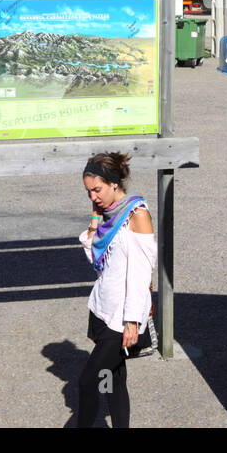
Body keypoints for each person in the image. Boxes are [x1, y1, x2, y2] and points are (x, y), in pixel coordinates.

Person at [75, 151, 156, 428]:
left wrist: (133, 321)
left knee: (88, 382)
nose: (93, 197)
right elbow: (98, 264)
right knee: (115, 380)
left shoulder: (137, 214)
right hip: (103, 308)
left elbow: (142, 272)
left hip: (122, 318)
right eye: (88, 192)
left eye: (97, 190)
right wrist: (94, 223)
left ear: (113, 184)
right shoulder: (105, 216)